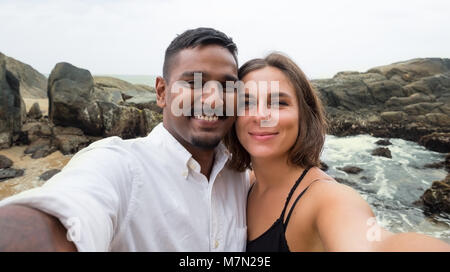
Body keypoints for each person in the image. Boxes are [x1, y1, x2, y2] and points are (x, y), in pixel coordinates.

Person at [0, 27, 249, 251]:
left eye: (227, 86)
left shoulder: (241, 179)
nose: (214, 100)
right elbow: (71, 206)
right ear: (162, 92)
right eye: (195, 82)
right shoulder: (121, 167)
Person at [224, 52, 450, 252]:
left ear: (304, 115)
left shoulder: (327, 200)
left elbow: (374, 244)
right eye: (246, 103)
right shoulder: (242, 184)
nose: (261, 115)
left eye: (279, 103)